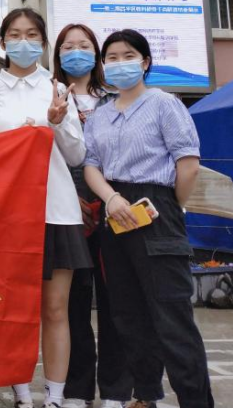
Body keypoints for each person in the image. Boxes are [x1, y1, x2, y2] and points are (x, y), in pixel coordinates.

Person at [83, 29, 214, 408]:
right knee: (127, 314)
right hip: (115, 210)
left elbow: (188, 164)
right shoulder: (100, 116)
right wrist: (111, 198)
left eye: (128, 56)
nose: (119, 63)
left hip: (157, 207)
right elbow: (92, 165)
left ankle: (196, 401)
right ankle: (145, 395)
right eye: (111, 57)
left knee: (172, 316)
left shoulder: (164, 104)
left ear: (144, 62)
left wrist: (169, 206)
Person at [0, 8, 91, 408]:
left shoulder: (58, 90)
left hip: (57, 210)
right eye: (15, 35)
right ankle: (21, 392)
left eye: (32, 35)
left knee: (56, 309)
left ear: (42, 42)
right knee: (13, 309)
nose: (24, 42)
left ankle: (54, 396)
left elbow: (76, 156)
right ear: (2, 42)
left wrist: (56, 121)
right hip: (7, 216)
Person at [53, 24, 145, 408]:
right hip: (64, 211)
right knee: (71, 305)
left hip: (115, 211)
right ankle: (76, 390)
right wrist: (69, 197)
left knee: (116, 302)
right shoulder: (49, 95)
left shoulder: (117, 98)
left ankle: (116, 391)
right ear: (58, 54)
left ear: (96, 54)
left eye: (84, 45)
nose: (76, 52)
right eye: (68, 46)